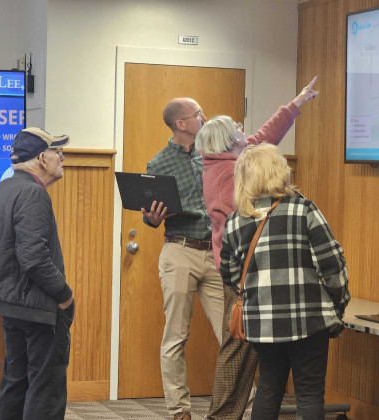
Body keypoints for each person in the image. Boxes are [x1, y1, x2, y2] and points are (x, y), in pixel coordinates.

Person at [195, 77, 318, 420]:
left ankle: (226, 413)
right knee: (238, 347)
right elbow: (242, 225)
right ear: (227, 142)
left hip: (244, 271)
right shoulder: (226, 174)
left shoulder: (227, 160)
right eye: (235, 127)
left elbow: (263, 137)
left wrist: (295, 104)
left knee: (243, 347)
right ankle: (222, 415)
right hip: (242, 274)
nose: (241, 126)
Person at [220, 143, 350, 420]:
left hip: (262, 323)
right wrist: (338, 306)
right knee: (310, 392)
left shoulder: (234, 221)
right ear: (280, 172)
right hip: (309, 320)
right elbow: (332, 265)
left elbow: (229, 275)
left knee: (269, 387)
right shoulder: (304, 210)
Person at [0, 127, 75, 420]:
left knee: (15, 383)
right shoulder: (33, 194)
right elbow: (33, 258)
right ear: (42, 158)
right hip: (39, 309)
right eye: (58, 152)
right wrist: (64, 295)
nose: (62, 158)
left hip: (11, 306)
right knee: (45, 389)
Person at [140, 97, 223, 420]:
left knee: (233, 334)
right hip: (179, 250)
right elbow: (149, 219)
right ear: (181, 124)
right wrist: (152, 218)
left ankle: (240, 402)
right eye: (198, 113)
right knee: (176, 335)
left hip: (215, 252)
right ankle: (179, 411)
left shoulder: (212, 155)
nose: (205, 116)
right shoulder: (158, 164)